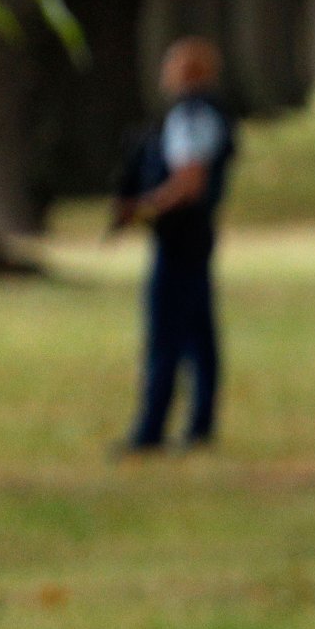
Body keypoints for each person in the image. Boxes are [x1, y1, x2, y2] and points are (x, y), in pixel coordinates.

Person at [111, 37, 235, 453]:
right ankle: (200, 424)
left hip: (179, 236)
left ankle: (151, 430)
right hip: (198, 237)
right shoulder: (212, 113)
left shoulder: (189, 116)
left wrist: (144, 208)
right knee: (199, 333)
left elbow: (189, 181)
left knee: (165, 335)